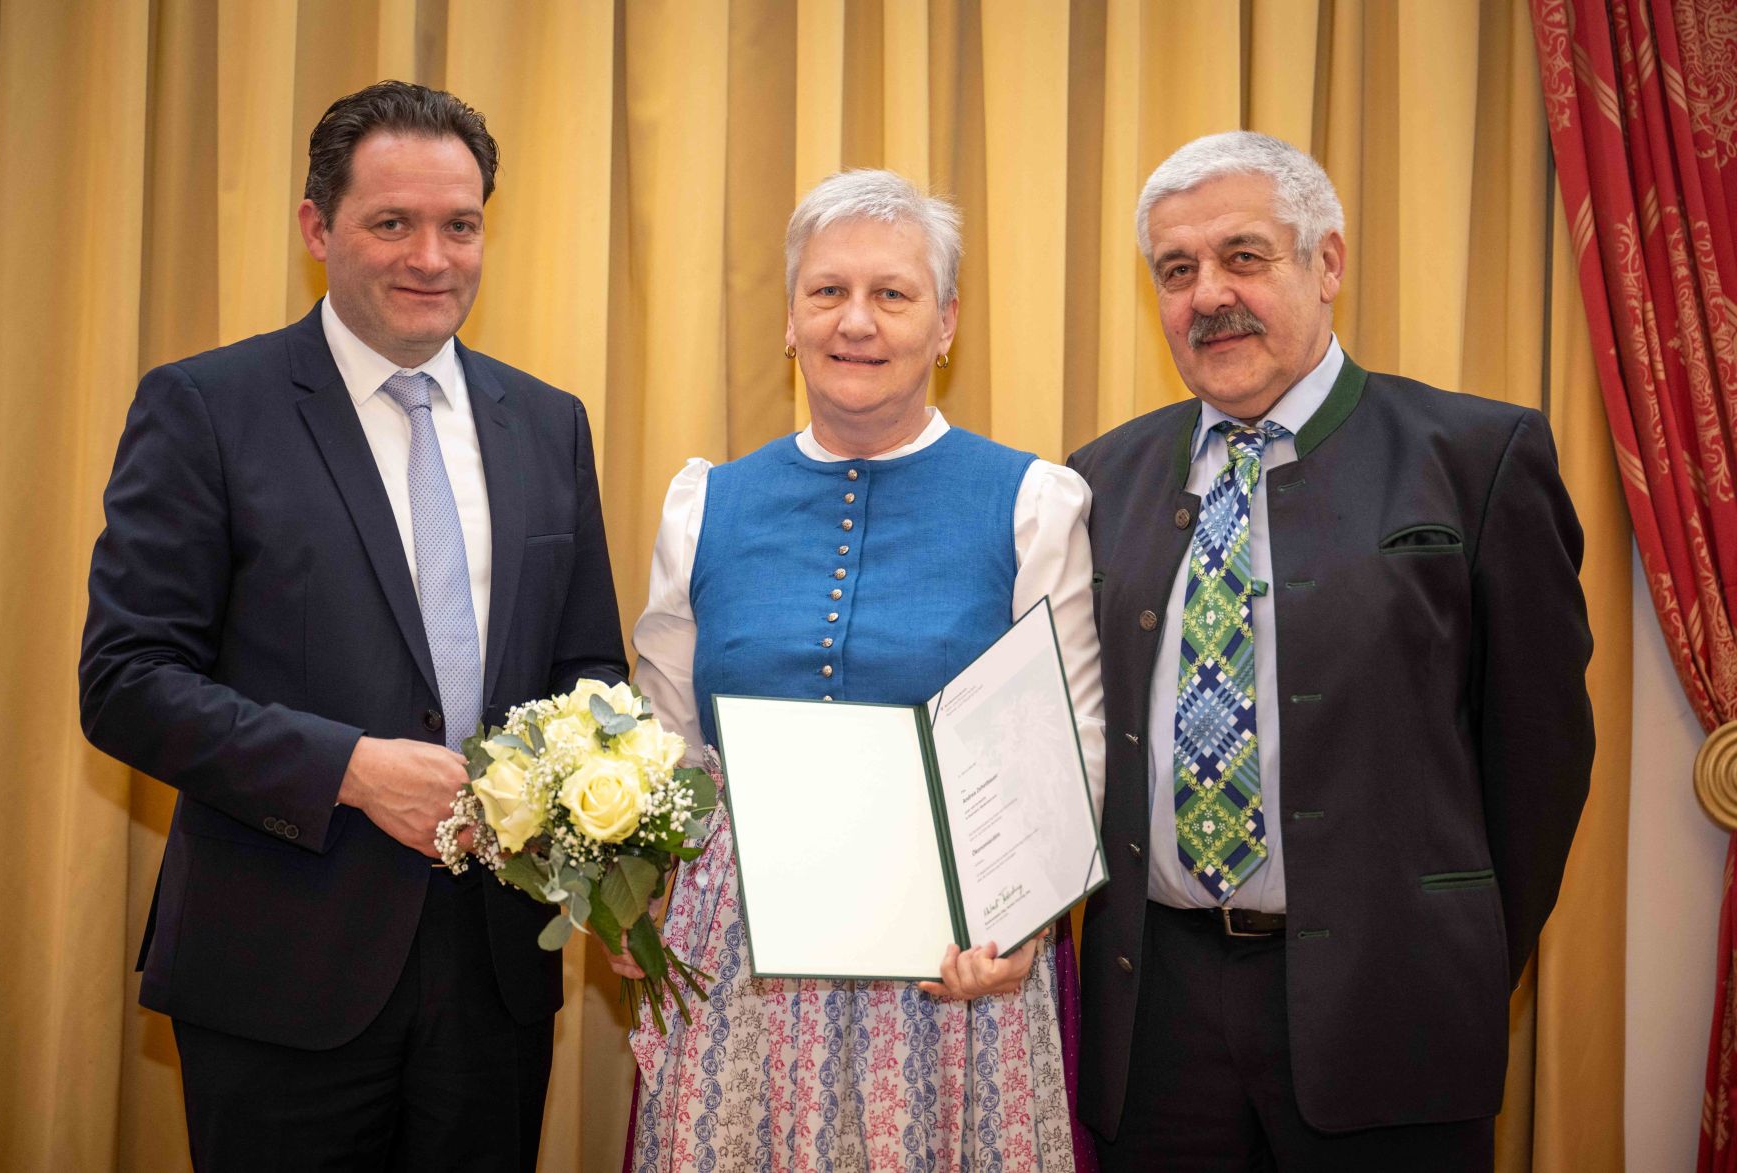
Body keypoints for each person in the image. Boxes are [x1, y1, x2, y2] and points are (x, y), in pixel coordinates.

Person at [78, 81, 626, 1171]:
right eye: (393, 223)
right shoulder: (205, 407)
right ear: (317, 229)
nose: (432, 255)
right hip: (280, 968)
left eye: (459, 225)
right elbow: (126, 680)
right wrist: (352, 770)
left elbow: (587, 667)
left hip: (496, 975)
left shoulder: (547, 423)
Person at [1070, 131, 1595, 1171]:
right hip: (1157, 1022)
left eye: (1243, 256)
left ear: (1327, 263)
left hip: (1389, 1011)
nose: (1207, 295)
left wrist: (1449, 947)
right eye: (1176, 272)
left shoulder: (1475, 459)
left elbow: (1537, 760)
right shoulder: (1098, 480)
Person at [622, 169, 1106, 1171]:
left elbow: (1070, 744)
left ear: (945, 324)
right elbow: (662, 740)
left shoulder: (1032, 501)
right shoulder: (704, 504)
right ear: (789, 320)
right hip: (738, 960)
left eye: (892, 294)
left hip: (951, 963)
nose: (856, 322)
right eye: (826, 292)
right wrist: (636, 900)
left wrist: (1019, 926)